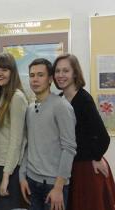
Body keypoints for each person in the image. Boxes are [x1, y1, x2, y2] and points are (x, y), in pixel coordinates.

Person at [53, 53, 115, 210]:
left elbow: (103, 138)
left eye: (65, 71)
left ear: (75, 73)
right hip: (70, 166)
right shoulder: (60, 99)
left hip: (86, 169)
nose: (60, 75)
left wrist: (96, 157)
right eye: (57, 71)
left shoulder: (83, 100)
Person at [19, 58, 77, 210]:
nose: (35, 79)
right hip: (32, 182)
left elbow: (69, 148)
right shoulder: (30, 108)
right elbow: (29, 145)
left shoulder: (61, 107)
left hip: (53, 186)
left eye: (40, 75)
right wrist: (22, 176)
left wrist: (58, 188)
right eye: (32, 75)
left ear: (50, 79)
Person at [0, 53, 28, 210]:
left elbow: (16, 140)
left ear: (12, 72)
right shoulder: (0, 95)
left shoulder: (17, 98)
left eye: (4, 70)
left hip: (8, 168)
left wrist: (6, 176)